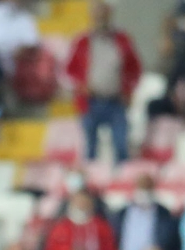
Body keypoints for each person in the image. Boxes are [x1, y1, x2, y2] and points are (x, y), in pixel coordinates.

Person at [68, 1, 142, 161]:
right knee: (90, 148)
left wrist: (129, 90)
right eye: (97, 15)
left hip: (116, 100)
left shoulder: (122, 40)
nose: (100, 19)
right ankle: (91, 181)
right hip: (91, 101)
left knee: (121, 145)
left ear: (110, 15)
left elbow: (135, 69)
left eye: (103, 14)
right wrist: (80, 86)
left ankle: (122, 180)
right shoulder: (83, 42)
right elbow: (69, 71)